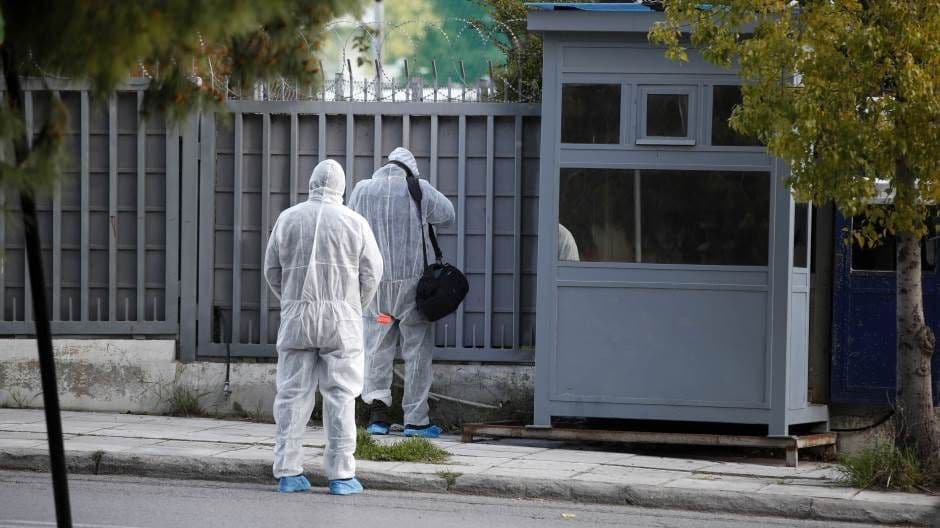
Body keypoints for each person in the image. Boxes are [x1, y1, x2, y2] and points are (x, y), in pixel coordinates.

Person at [264, 159, 383, 495]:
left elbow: (272, 271)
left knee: (291, 396)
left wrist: (292, 301)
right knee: (341, 396)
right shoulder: (354, 222)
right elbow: (373, 273)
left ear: (312, 182)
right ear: (342, 187)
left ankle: (287, 471)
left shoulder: (288, 219)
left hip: (298, 317)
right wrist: (354, 304)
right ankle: (342, 476)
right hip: (341, 321)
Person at [348, 147, 455, 438]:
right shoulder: (417, 187)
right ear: (410, 170)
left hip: (377, 293)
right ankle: (415, 421)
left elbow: (350, 226)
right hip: (412, 293)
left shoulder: (361, 190)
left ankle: (378, 417)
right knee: (417, 352)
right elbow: (448, 216)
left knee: (377, 349)